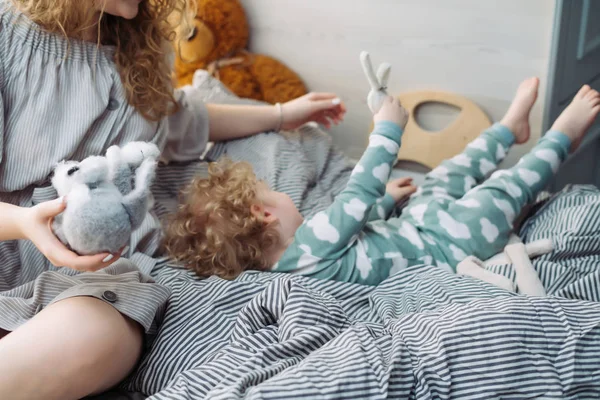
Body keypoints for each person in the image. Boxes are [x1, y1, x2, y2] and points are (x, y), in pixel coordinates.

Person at [0, 0, 346, 398]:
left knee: (108, 329)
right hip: (11, 248)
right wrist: (26, 224)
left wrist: (283, 114)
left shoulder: (134, 49)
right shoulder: (8, 38)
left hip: (99, 278)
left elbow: (183, 119)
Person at [165, 79, 600, 285]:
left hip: (417, 228)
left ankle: (509, 129)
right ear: (263, 214)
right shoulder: (312, 239)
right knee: (500, 190)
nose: (282, 192)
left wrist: (386, 200)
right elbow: (357, 194)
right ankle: (562, 136)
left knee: (441, 178)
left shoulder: (292, 259)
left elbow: (353, 223)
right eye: (270, 191)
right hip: (447, 248)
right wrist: (387, 131)